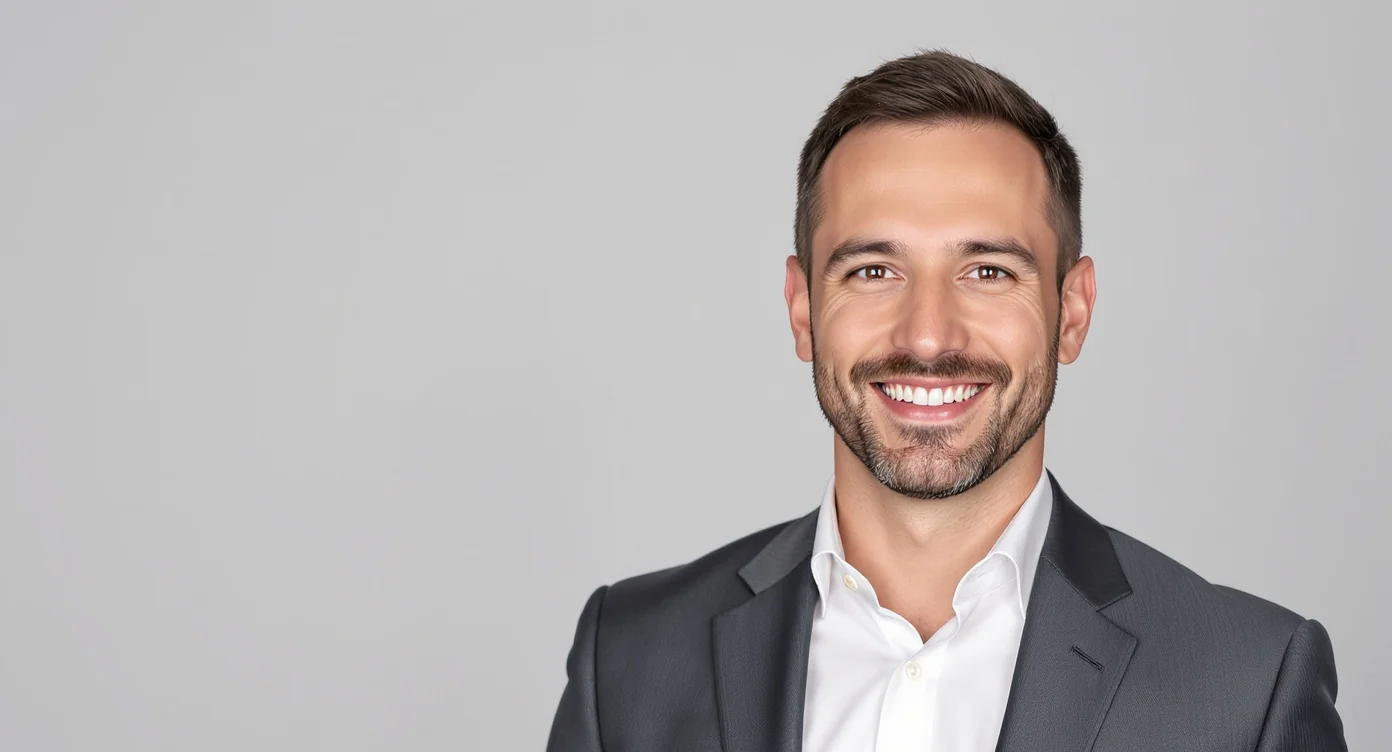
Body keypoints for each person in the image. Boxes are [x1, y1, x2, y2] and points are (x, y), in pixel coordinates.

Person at [545, 50, 1347, 751]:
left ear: (1072, 312)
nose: (928, 337)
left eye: (988, 271)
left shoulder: (1249, 688)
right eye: (874, 270)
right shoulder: (628, 659)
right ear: (801, 310)